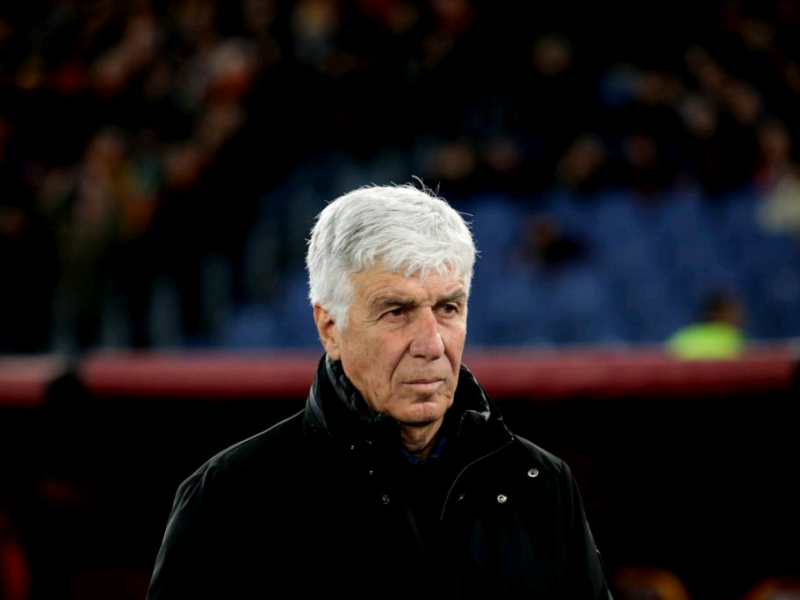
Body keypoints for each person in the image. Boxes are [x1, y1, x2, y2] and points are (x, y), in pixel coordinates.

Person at [147, 183, 612, 599]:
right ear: (329, 327)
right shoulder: (227, 499)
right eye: (396, 312)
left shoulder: (542, 485)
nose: (432, 344)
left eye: (448, 308)